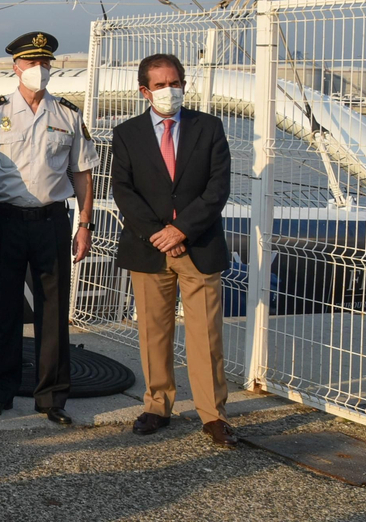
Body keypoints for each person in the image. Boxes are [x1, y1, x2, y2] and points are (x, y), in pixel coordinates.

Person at [0, 31, 95, 426]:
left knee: (53, 311)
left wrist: (85, 224)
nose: (38, 70)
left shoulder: (68, 114)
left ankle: (52, 397)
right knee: (3, 309)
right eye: (30, 62)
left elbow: (83, 173)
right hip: (3, 221)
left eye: (44, 63)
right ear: (15, 67)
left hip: (51, 222)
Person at [111, 53, 239, 448]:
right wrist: (159, 233)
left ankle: (213, 414)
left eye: (176, 82)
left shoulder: (209, 127)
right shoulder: (127, 133)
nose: (170, 91)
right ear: (144, 91)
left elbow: (217, 188)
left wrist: (181, 228)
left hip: (198, 244)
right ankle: (157, 405)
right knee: (153, 332)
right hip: (149, 248)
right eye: (161, 85)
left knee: (205, 336)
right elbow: (123, 191)